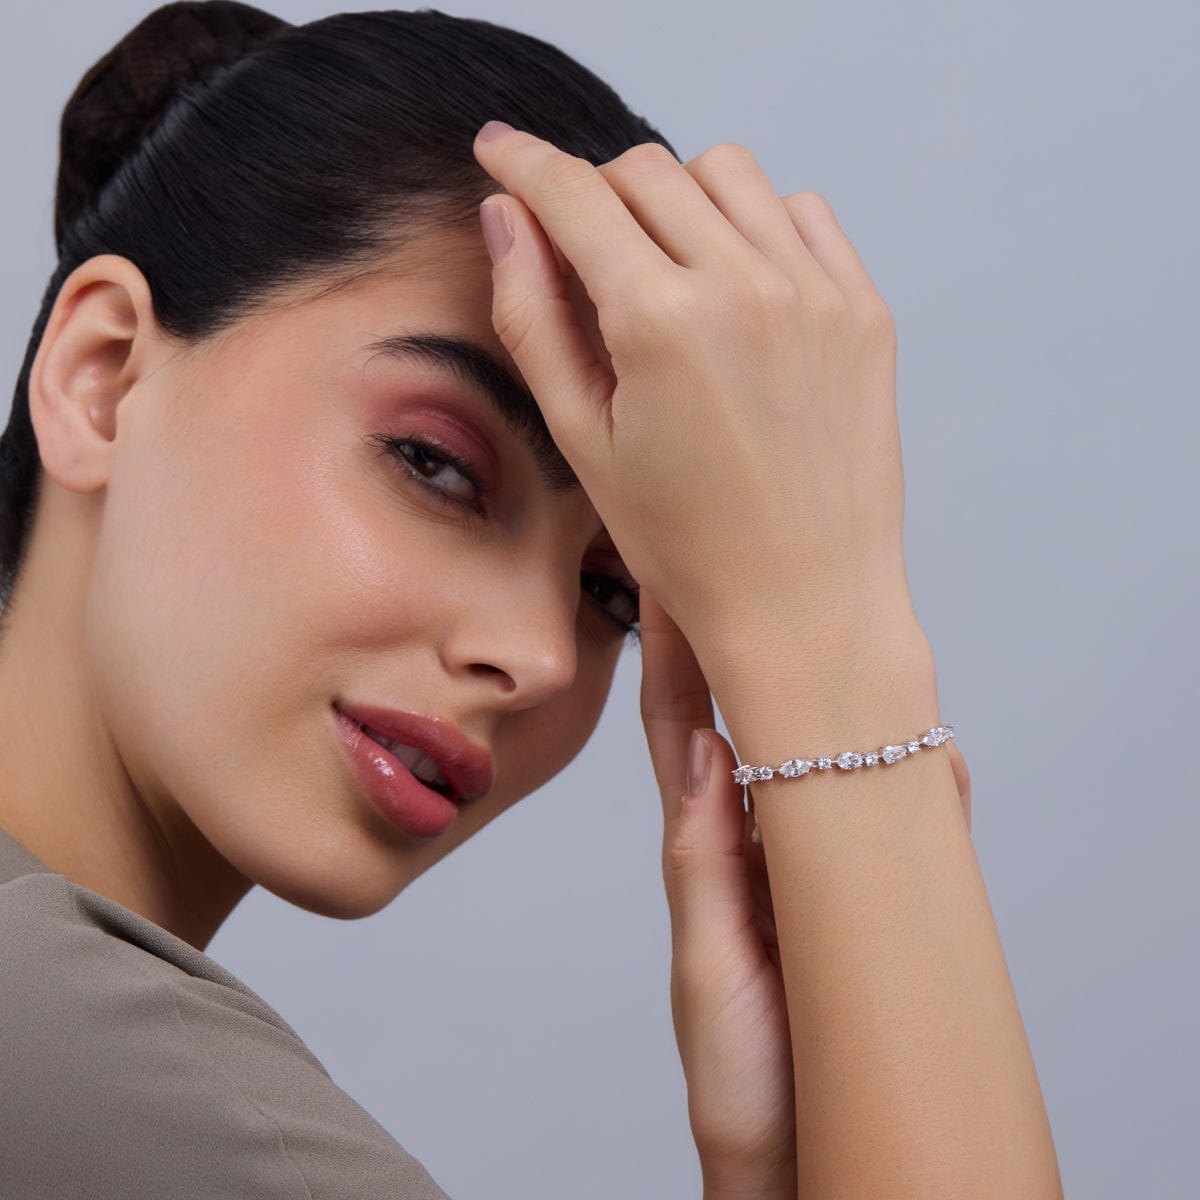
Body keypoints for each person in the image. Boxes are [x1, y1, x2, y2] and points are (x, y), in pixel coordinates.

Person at [0, 2, 1064, 1196]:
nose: (542, 657)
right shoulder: (82, 1055)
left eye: (612, 593)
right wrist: (841, 670)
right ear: (101, 378)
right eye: (436, 465)